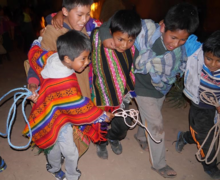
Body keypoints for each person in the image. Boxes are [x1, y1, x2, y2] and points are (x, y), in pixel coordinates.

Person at [99, 2, 199, 178]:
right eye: (173, 37)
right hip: (139, 84)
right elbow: (110, 23)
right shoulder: (145, 29)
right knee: (156, 125)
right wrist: (105, 35)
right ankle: (159, 164)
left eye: (182, 39)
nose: (176, 44)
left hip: (161, 87)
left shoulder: (182, 49)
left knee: (150, 115)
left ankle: (141, 137)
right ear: (163, 26)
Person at [24, 30, 114, 180]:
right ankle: (54, 168)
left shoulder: (51, 57)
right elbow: (79, 105)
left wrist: (37, 40)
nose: (87, 62)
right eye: (83, 59)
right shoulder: (65, 82)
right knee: (55, 150)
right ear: (67, 58)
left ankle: (72, 176)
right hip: (50, 118)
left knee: (66, 150)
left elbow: (34, 54)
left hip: (53, 118)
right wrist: (103, 115)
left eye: (88, 58)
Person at [91, 9, 141, 159]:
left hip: (121, 96)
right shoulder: (99, 39)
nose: (125, 44)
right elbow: (99, 26)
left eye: (130, 40)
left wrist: (130, 89)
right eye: (120, 39)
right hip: (102, 94)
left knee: (123, 125)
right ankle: (101, 143)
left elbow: (131, 70)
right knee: (101, 124)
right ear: (110, 31)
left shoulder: (132, 49)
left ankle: (113, 138)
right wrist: (105, 34)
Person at [27, 0, 101, 101]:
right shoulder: (53, 33)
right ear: (65, 12)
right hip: (64, 93)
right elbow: (39, 59)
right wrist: (32, 83)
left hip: (83, 87)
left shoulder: (82, 28)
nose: (84, 20)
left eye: (88, 14)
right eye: (79, 15)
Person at [175, 30, 220, 179]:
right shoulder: (196, 52)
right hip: (199, 106)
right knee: (206, 137)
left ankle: (185, 137)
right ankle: (210, 165)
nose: (213, 64)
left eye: (218, 61)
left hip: (215, 108)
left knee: (204, 133)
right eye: (209, 59)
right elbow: (186, 35)